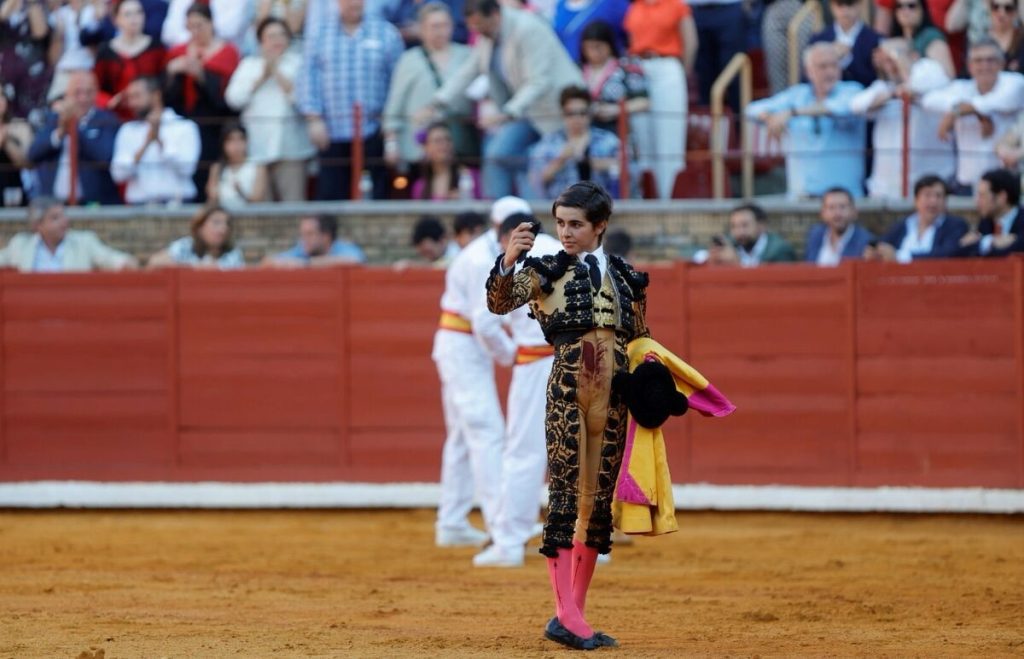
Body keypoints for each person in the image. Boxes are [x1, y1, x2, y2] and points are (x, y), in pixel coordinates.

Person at [484, 181, 651, 649]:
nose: (565, 232)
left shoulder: (625, 276)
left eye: (576, 224)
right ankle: (567, 615)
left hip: (613, 394)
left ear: (600, 226)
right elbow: (498, 302)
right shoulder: (544, 270)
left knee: (596, 508)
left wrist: (653, 387)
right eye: (560, 223)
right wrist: (507, 260)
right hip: (566, 389)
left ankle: (572, 614)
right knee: (562, 498)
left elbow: (641, 341)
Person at [431, 195, 529, 548]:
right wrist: (512, 354)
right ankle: (500, 523)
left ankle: (453, 521)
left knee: (462, 437)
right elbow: (484, 322)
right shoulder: (480, 259)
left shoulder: (483, 254)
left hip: (460, 346)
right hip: (463, 348)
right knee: (487, 431)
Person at [472, 211, 562, 568]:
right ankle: (588, 543)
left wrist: (509, 356)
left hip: (535, 364)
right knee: (579, 451)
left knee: (524, 454)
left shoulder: (520, 258)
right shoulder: (571, 251)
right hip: (582, 360)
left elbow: (485, 322)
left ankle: (509, 543)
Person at [429, 0, 584, 199]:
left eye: (479, 25)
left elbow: (539, 82)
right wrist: (438, 101)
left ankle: (528, 219)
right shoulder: (488, 33)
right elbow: (469, 70)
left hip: (557, 112)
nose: (476, 30)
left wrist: (507, 114)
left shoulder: (528, 29)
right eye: (473, 26)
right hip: (526, 111)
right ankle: (500, 217)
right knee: (497, 155)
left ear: (495, 15)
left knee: (522, 163)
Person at [296, 0, 404, 201]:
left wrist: (390, 125)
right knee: (330, 195)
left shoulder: (386, 33)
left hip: (373, 129)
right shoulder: (319, 34)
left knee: (375, 192)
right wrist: (313, 118)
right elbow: (307, 77)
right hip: (331, 130)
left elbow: (397, 82)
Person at [745, 42, 866, 199]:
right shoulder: (797, 95)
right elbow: (751, 109)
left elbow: (838, 107)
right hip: (801, 197)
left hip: (844, 199)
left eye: (834, 66)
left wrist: (791, 113)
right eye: (822, 67)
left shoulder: (852, 90)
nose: (830, 72)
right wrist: (771, 119)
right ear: (809, 71)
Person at [849, 38, 955, 199]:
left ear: (914, 56)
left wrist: (900, 59)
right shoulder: (883, 87)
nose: (891, 66)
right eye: (886, 61)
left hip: (931, 183)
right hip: (887, 188)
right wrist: (892, 94)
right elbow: (856, 106)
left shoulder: (930, 71)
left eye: (894, 59)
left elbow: (915, 84)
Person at [225, 16, 315, 202]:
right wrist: (261, 78)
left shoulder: (298, 64)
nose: (277, 40)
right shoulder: (249, 65)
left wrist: (278, 74)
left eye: (282, 35)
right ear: (261, 41)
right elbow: (233, 100)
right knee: (261, 209)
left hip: (291, 150)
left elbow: (305, 102)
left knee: (293, 205)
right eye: (271, 36)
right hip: (257, 151)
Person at [922, 38, 1024, 196]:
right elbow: (928, 101)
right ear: (969, 66)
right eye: (978, 61)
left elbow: (997, 101)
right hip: (967, 182)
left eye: (991, 60)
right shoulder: (962, 87)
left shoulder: (1014, 83)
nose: (984, 66)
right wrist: (974, 112)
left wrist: (955, 112)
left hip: (1006, 183)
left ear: (1001, 63)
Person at [163, 2, 242, 202]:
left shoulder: (227, 52)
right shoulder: (178, 52)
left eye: (200, 25)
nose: (196, 32)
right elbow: (168, 95)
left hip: (215, 124)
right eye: (191, 27)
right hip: (187, 123)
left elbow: (226, 97)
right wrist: (173, 73)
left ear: (211, 23)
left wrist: (201, 75)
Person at [383, 2, 474, 172]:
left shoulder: (467, 54)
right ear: (422, 29)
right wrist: (391, 143)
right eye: (434, 26)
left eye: (445, 25)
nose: (440, 31)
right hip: (421, 148)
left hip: (459, 145)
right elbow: (395, 105)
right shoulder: (409, 60)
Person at [623, 0, 698, 199]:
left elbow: (690, 41)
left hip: (667, 65)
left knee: (670, 137)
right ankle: (648, 199)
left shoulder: (676, 5)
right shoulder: (635, 7)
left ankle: (670, 201)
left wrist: (683, 70)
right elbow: (631, 40)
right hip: (639, 67)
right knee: (642, 138)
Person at [28, 71, 122, 206]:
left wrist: (74, 127)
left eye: (88, 92)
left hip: (93, 204)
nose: (83, 98)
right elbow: (33, 154)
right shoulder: (52, 118)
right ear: (67, 95)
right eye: (78, 93)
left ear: (96, 93)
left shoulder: (107, 120)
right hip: (54, 204)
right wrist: (59, 133)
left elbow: (105, 156)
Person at [110, 75, 202, 205]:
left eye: (137, 96)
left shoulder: (185, 127)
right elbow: (118, 175)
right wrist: (145, 144)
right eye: (130, 98)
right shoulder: (127, 130)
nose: (132, 103)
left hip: (178, 205)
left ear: (156, 95)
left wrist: (160, 141)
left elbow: (187, 169)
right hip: (139, 207)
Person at [528, 87, 621, 200]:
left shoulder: (608, 140)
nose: (577, 118)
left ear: (590, 114)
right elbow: (535, 181)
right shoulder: (549, 142)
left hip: (600, 209)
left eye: (582, 113)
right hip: (561, 210)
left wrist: (601, 164)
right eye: (571, 113)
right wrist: (560, 160)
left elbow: (630, 172)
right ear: (563, 114)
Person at [0, 197, 137, 272]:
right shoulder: (20, 245)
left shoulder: (84, 242)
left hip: (74, 311)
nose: (64, 222)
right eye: (55, 218)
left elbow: (112, 259)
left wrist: (126, 262)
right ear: (38, 225)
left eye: (63, 216)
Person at [865, 174, 969, 261]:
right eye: (927, 195)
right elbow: (884, 245)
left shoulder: (954, 226)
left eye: (938, 196)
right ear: (916, 200)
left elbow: (946, 254)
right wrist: (876, 251)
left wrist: (900, 257)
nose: (933, 202)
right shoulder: (902, 225)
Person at [92, 0, 167, 121]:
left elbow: (164, 83)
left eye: (138, 13)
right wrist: (109, 101)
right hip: (117, 117)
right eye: (128, 14)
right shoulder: (106, 52)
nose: (134, 18)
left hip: (151, 116)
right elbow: (96, 87)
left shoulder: (156, 48)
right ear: (116, 19)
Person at [578, 20, 650, 136]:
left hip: (617, 132)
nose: (594, 52)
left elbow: (645, 102)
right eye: (589, 47)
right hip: (585, 133)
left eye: (599, 47)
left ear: (609, 45)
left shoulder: (626, 67)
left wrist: (616, 110)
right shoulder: (578, 69)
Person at [808, 0, 882, 88]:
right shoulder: (818, 39)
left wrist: (847, 59)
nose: (845, 10)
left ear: (860, 5)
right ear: (832, 6)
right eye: (840, 4)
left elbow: (876, 80)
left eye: (850, 4)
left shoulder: (875, 40)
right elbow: (806, 77)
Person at [147, 204, 245, 269]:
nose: (223, 229)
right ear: (200, 227)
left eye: (227, 224)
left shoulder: (233, 254)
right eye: (216, 223)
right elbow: (154, 263)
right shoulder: (184, 246)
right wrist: (194, 267)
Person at [704, 202, 798, 266]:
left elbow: (770, 284)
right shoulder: (731, 243)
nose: (739, 232)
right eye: (734, 226)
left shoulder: (780, 250)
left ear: (761, 226)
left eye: (744, 225)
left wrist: (737, 263)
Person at [959, 167, 1024, 255]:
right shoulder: (985, 222)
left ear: (1002, 197)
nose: (977, 201)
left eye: (982, 196)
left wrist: (983, 243)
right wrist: (990, 241)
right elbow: (966, 248)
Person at [804, 187, 875, 264]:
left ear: (854, 212)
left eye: (842, 207)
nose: (837, 213)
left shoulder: (866, 241)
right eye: (831, 208)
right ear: (822, 213)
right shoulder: (815, 235)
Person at [264, 214, 367, 267]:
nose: (304, 239)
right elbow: (268, 262)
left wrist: (307, 264)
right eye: (303, 234)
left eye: (310, 234)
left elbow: (356, 260)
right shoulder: (302, 250)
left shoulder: (341, 248)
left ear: (326, 236)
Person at [411, 122, 481, 200]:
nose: (444, 144)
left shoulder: (469, 176)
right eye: (437, 140)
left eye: (448, 139)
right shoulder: (420, 186)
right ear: (426, 147)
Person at [205, 124, 268, 208]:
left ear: (247, 141)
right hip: (223, 217)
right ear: (223, 144)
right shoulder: (217, 168)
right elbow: (212, 196)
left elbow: (257, 199)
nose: (236, 145)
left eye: (240, 139)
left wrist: (240, 191)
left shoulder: (257, 166)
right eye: (230, 140)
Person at [889, 0, 957, 77]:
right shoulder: (895, 40)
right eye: (899, 6)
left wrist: (899, 55)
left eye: (911, 6)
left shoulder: (931, 36)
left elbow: (947, 75)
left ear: (922, 9)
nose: (905, 11)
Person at [0, 89, 33, 208]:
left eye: (2, 95)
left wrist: (6, 141)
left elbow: (27, 162)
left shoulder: (19, 126)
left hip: (13, 191)